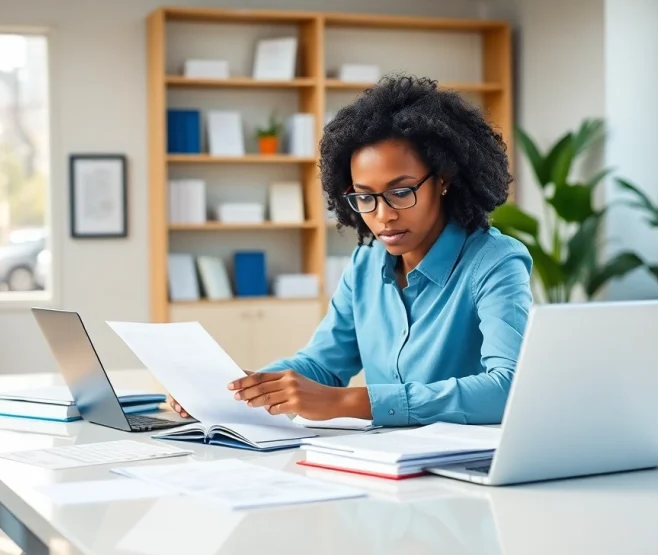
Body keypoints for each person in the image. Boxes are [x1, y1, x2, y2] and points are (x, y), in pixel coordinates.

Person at [167, 74, 533, 427]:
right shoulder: (365, 264)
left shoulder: (494, 262)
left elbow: (508, 387)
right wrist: (245, 388)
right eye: (364, 197)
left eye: (401, 191)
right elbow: (322, 365)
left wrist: (348, 401)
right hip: (376, 461)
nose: (383, 215)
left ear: (444, 180)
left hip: (464, 467)